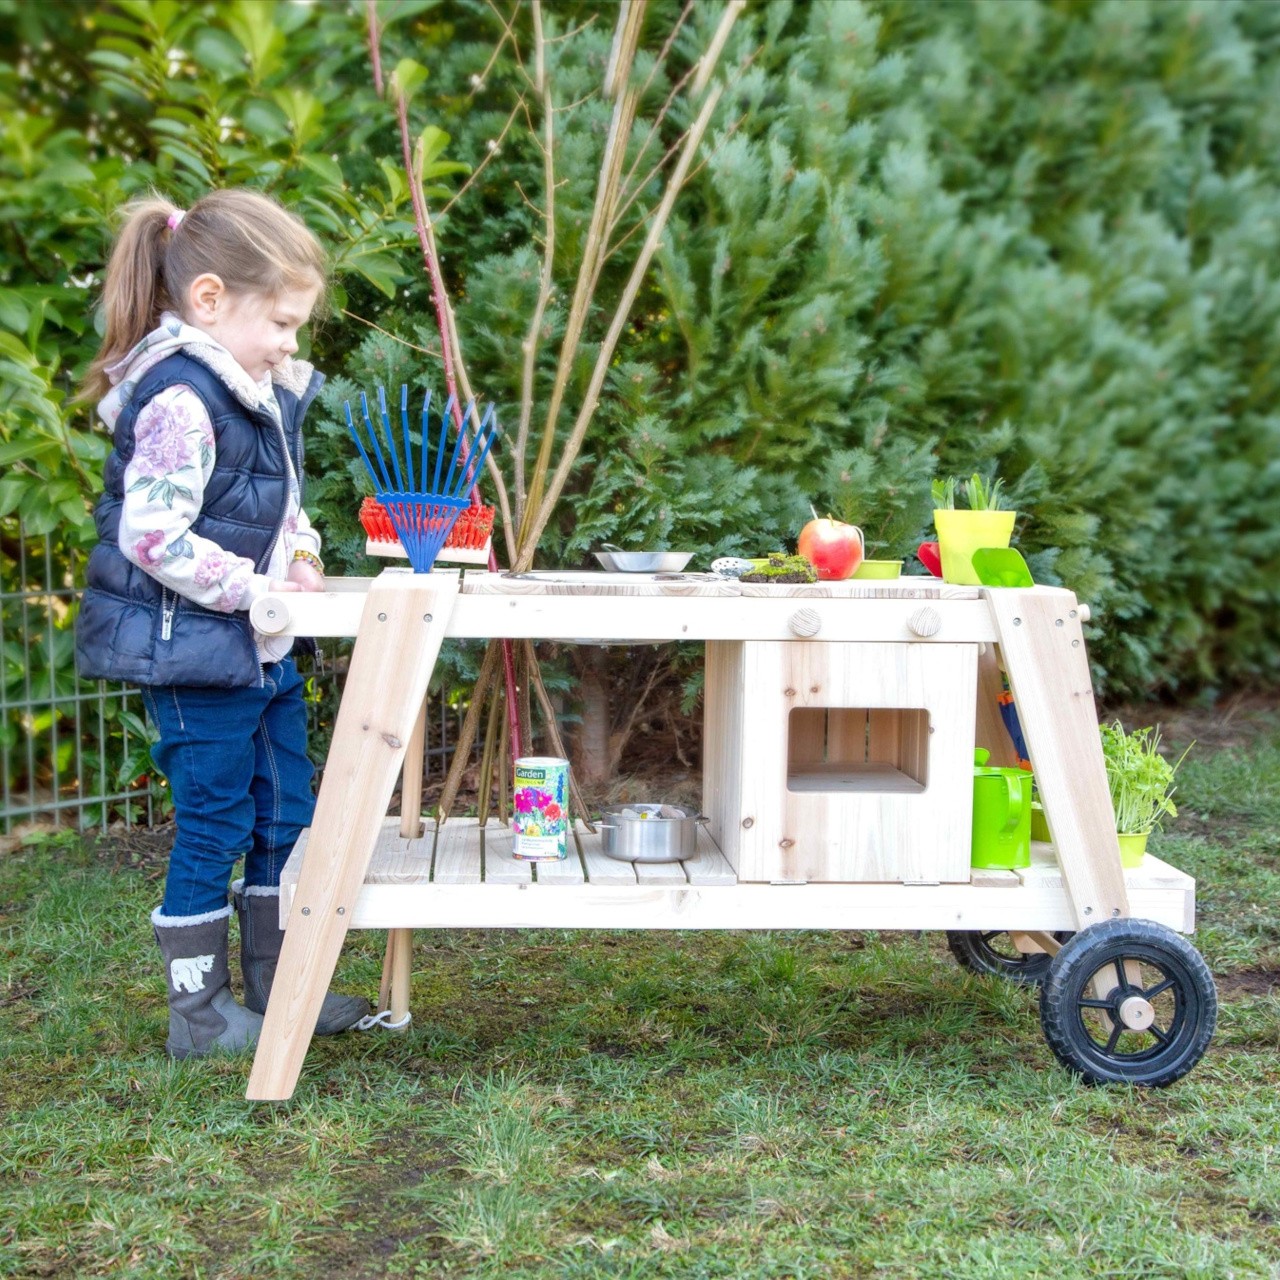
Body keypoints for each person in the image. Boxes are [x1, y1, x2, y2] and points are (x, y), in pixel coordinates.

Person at [75, 189, 368, 1058]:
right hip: (195, 656)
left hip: (261, 646)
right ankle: (199, 1015)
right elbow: (152, 536)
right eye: (281, 323)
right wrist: (255, 591)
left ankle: (282, 985)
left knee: (286, 810)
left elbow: (282, 505)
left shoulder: (255, 392)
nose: (291, 344)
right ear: (210, 299)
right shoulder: (181, 400)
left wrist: (302, 555)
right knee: (216, 820)